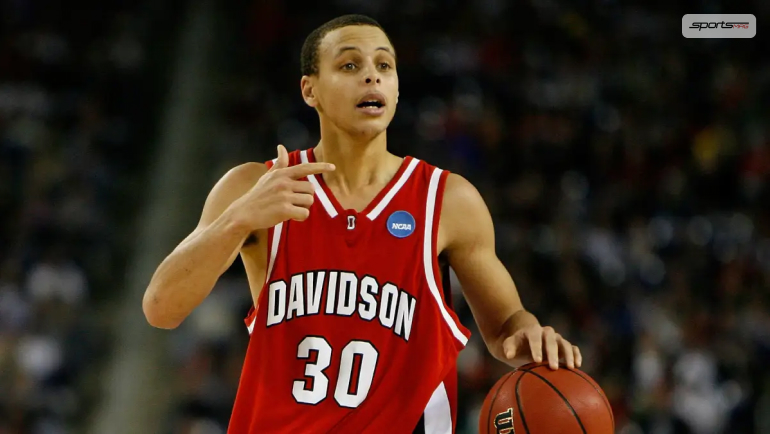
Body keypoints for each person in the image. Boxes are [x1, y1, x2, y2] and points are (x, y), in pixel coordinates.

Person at [142, 14, 582, 434]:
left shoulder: (447, 200)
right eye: (350, 64)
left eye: (384, 65)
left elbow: (505, 323)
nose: (371, 76)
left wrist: (527, 337)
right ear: (309, 89)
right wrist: (238, 219)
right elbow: (161, 308)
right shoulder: (256, 186)